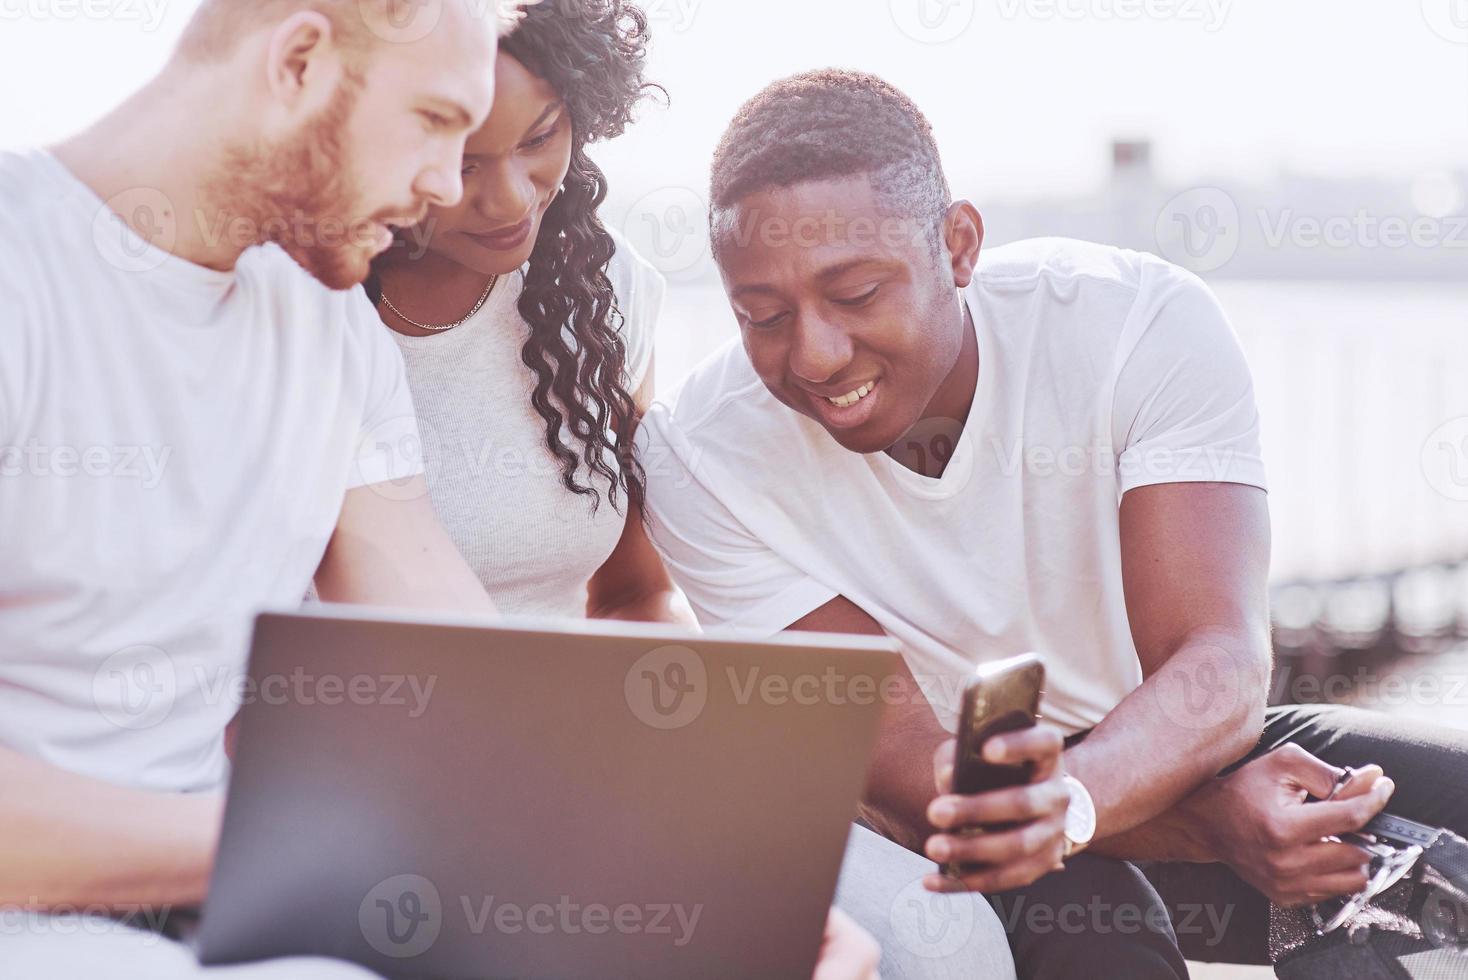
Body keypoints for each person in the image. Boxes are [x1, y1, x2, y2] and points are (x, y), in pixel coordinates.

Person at [637, 69, 1468, 977]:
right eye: (762, 316)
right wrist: (1196, 827)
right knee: (1094, 927)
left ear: (957, 245)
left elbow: (1219, 661)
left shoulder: (1135, 325)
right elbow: (922, 780)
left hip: (1164, 749)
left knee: (1407, 816)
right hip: (963, 821)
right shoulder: (698, 459)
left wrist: (1090, 796)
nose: (815, 355)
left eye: (857, 293)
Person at [361, 3, 1013, 976]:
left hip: (581, 766)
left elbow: (627, 592)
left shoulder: (598, 290)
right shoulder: (309, 300)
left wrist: (669, 764)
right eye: (461, 155)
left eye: (540, 138)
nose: (507, 198)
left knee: (943, 937)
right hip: (380, 794)